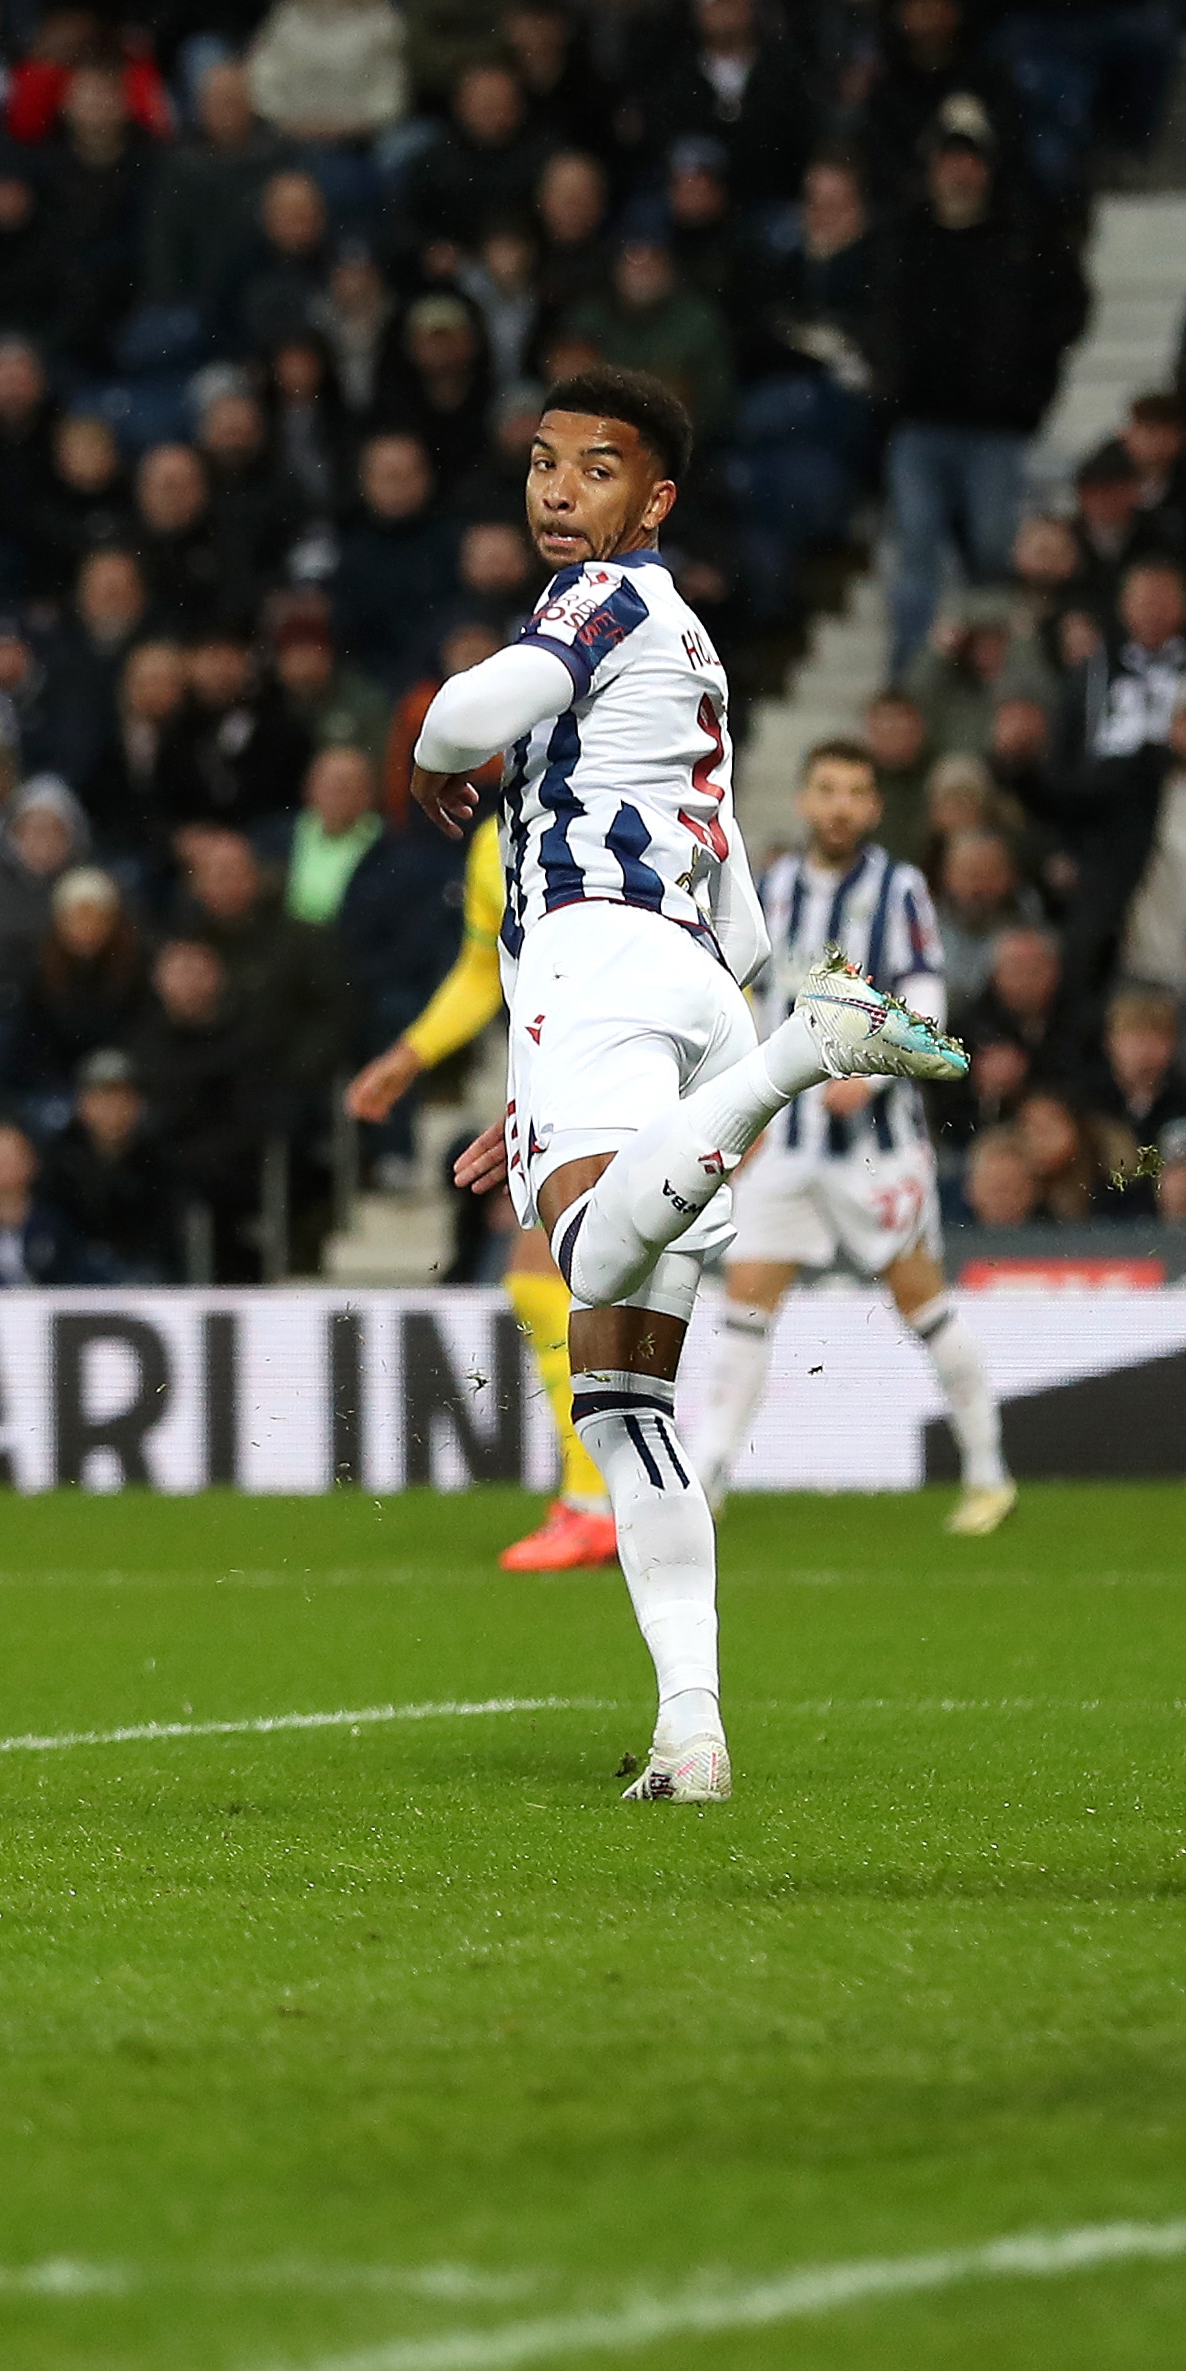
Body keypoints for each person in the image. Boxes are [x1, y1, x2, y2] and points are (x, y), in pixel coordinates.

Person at [412, 367, 966, 1803]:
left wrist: (425, 755)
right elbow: (737, 916)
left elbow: (474, 709)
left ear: (652, 502)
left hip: (603, 956)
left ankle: (809, 1050)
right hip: (690, 985)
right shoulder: (690, 652)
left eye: (594, 470)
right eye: (540, 463)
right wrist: (549, 1100)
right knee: (623, 1409)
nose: (555, 490)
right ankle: (691, 1732)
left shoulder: (604, 601)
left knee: (586, 1248)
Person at [670, 740, 1016, 1534]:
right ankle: (711, 1475)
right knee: (746, 1303)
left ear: (872, 806)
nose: (839, 805)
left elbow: (926, 992)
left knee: (919, 1300)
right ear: (802, 799)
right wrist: (740, 1108)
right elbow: (744, 999)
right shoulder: (772, 887)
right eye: (825, 788)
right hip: (784, 1142)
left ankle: (989, 1470)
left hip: (876, 1146)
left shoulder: (899, 889)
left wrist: (876, 1069)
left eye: (855, 791)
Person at [338, 804, 614, 1573]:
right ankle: (615, 1494)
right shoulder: (497, 842)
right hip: (559, 1076)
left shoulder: (626, 819)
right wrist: (410, 1054)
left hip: (627, 1069)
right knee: (562, 1282)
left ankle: (598, 1504)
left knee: (548, 1276)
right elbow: (478, 968)